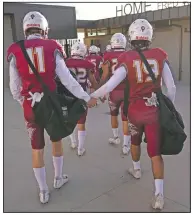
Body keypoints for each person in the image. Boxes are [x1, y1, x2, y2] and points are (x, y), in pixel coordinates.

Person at [7, 11, 96, 204]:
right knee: (56, 140)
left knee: (36, 148)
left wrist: (24, 102)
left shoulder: (15, 49)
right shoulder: (52, 46)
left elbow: (14, 86)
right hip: (51, 103)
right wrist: (85, 97)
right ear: (44, 28)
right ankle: (58, 178)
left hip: (30, 106)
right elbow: (67, 80)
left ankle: (43, 190)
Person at [91, 19, 176, 210]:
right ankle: (159, 195)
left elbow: (110, 85)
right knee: (155, 153)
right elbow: (171, 87)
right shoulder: (160, 55)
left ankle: (136, 169)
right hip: (154, 110)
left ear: (131, 36)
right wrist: (168, 105)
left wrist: (93, 96)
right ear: (149, 37)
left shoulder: (127, 58)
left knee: (135, 141)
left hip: (135, 110)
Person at [99, 33, 131, 155]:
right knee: (125, 118)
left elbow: (105, 74)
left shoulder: (108, 55)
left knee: (113, 114)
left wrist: (101, 90)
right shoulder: (129, 55)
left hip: (114, 91)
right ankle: (126, 145)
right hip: (127, 91)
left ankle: (116, 137)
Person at [66, 42, 99, 156]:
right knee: (81, 122)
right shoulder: (87, 64)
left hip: (68, 96)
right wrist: (97, 93)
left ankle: (73, 142)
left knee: (70, 120)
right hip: (82, 96)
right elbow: (93, 81)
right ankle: (80, 148)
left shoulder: (65, 63)